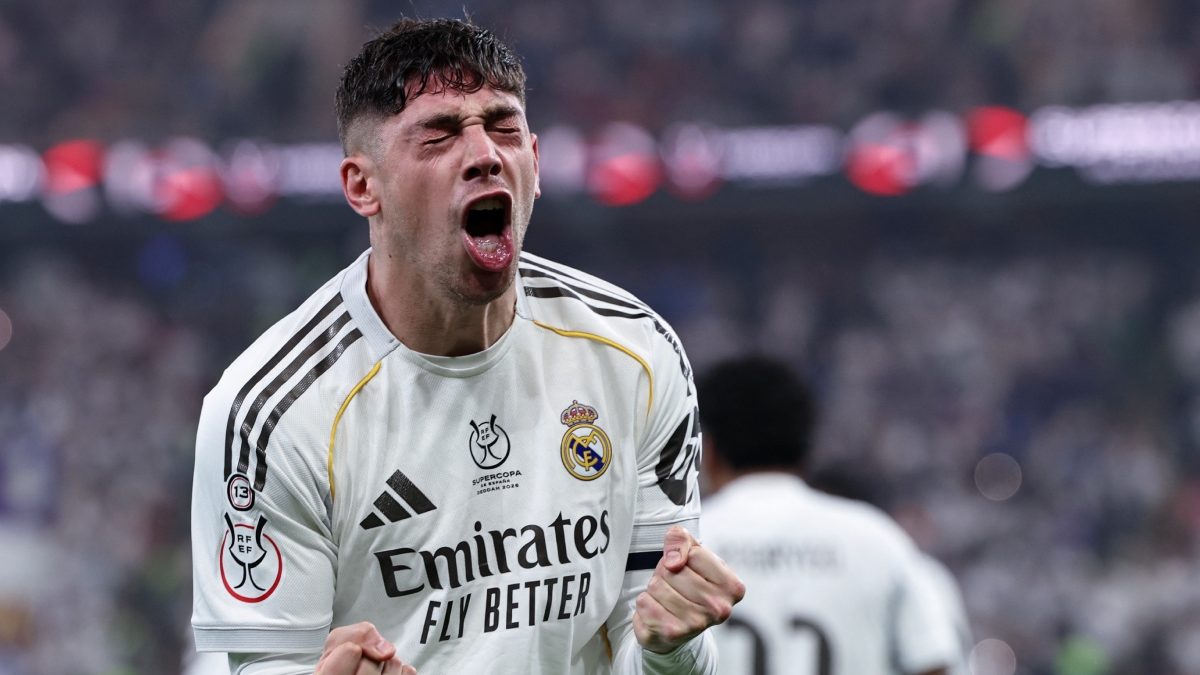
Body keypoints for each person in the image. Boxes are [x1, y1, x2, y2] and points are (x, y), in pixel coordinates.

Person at [190, 17, 744, 675]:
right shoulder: (271, 411)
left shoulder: (636, 354)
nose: (485, 153)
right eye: (439, 134)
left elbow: (647, 642)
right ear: (363, 186)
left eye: (504, 128)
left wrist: (671, 648)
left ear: (534, 163)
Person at [696, 355, 957, 675]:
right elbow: (933, 663)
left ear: (708, 450)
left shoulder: (687, 542)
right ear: (806, 446)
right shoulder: (876, 540)